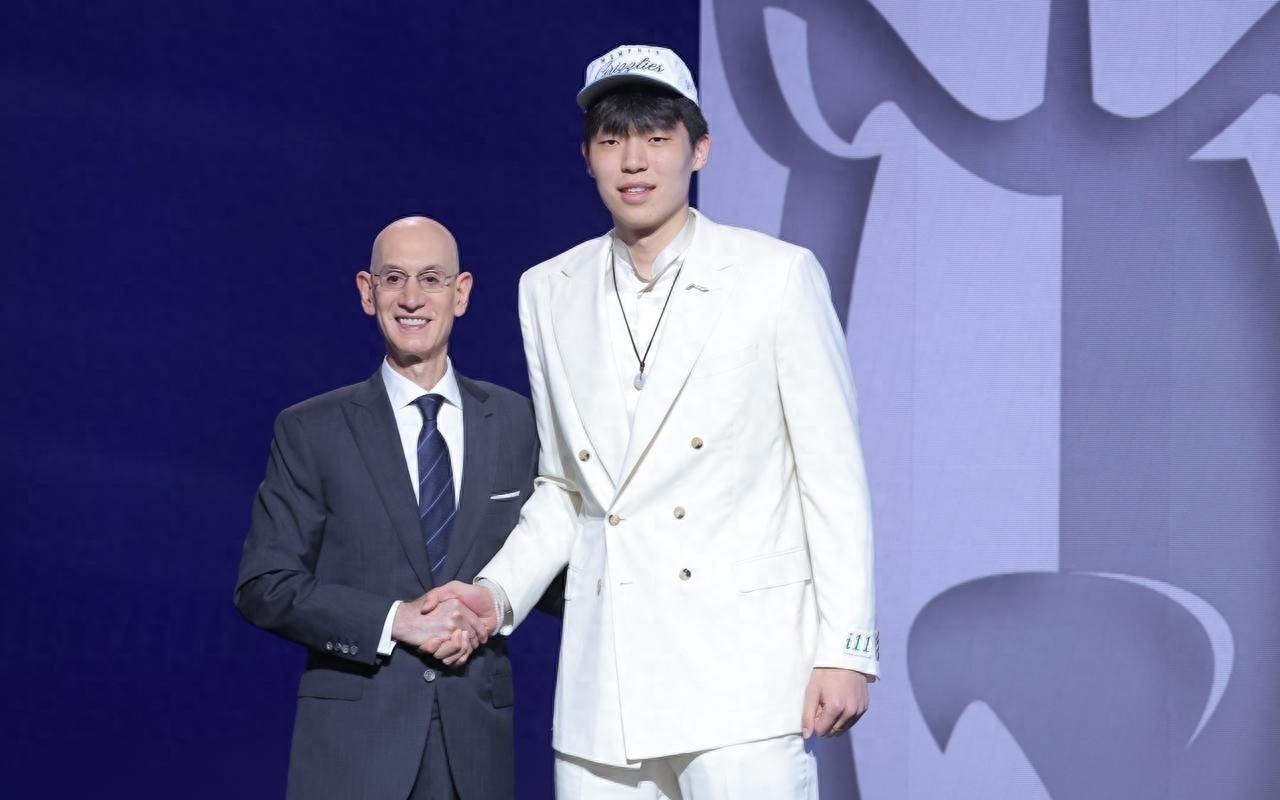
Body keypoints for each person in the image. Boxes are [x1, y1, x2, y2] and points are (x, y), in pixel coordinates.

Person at [425, 45, 878, 798]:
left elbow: (832, 477)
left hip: (743, 677)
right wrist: (496, 593)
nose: (634, 161)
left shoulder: (774, 277)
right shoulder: (549, 289)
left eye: (657, 138)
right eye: (612, 140)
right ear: (587, 157)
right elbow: (564, 488)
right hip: (607, 683)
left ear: (699, 149)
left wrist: (847, 648)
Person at [235, 216, 556, 800]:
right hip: (353, 752)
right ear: (368, 292)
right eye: (393, 278)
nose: (411, 298)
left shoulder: (517, 423)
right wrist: (394, 620)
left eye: (431, 278)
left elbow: (550, 568)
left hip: (474, 753)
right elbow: (265, 586)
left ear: (461, 293)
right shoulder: (312, 430)